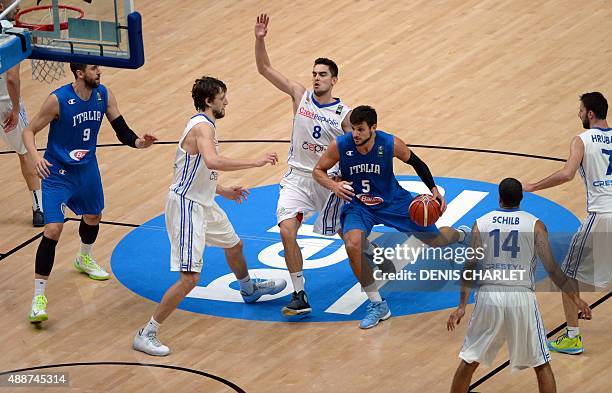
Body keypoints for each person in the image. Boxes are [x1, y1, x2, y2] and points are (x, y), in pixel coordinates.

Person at [132, 76, 287, 356]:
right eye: (222, 97)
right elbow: (213, 161)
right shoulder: (202, 127)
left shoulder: (206, 127)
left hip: (204, 201)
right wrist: (255, 161)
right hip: (187, 206)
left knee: (235, 245)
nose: (226, 101)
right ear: (209, 101)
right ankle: (147, 333)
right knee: (190, 278)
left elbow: (200, 170)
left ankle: (248, 289)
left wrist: (223, 190)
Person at [22, 64, 157, 323]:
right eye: (94, 69)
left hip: (86, 169)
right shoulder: (58, 100)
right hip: (57, 172)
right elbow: (29, 131)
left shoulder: (103, 95)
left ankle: (84, 258)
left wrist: (140, 142)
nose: (100, 72)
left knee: (94, 216)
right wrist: (36, 157)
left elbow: (122, 130)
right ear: (80, 73)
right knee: (53, 229)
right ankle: (39, 297)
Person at [313, 105, 469, 328]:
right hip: (360, 205)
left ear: (373, 128)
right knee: (352, 244)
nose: (355, 134)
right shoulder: (340, 145)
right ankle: (378, 304)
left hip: (393, 202)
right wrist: (332, 185)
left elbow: (417, 163)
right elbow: (318, 170)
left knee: (437, 241)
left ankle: (460, 235)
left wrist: (434, 190)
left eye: (360, 129)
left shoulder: (389, 143)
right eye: (353, 129)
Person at [447, 178, 591, 393]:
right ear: (521, 198)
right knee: (541, 364)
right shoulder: (536, 225)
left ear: (499, 197)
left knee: (469, 359)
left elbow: (470, 267)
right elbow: (552, 269)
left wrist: (461, 307)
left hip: (489, 295)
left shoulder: (481, 223)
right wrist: (576, 298)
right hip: (521, 295)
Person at [255, 13, 352, 316]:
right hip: (297, 176)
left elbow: (355, 151)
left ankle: (375, 263)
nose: (316, 77)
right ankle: (300, 295)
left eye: (322, 74)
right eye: (314, 73)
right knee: (286, 232)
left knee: (349, 238)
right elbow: (265, 68)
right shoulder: (300, 95)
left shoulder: (345, 115)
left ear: (334, 80)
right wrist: (260, 39)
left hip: (328, 180)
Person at [523, 92, 611, 355]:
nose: (579, 114)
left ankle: (572, 337)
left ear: (591, 114)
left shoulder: (582, 140)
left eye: (581, 110)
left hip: (601, 216)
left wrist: (534, 186)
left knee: (568, 277)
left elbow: (567, 174)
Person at [0, 2, 43, 226]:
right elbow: (12, 78)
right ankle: (39, 209)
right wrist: (16, 110)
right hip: (5, 104)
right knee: (25, 150)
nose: (17, 4)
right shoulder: (9, 31)